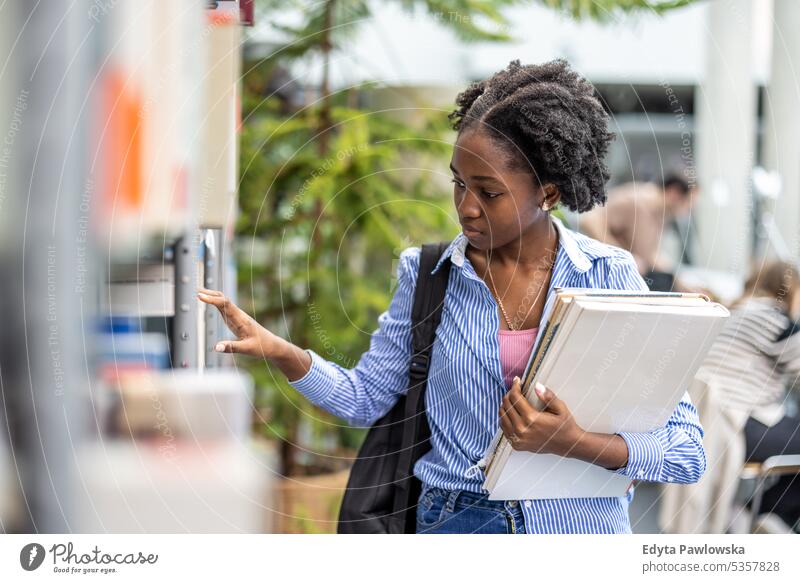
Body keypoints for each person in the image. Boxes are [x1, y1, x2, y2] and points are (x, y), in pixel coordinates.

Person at [198, 59, 706, 534]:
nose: (465, 207)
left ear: (548, 194)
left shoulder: (608, 274)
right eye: (458, 184)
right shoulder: (429, 275)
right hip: (456, 522)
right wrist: (283, 353)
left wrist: (577, 445)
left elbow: (687, 451)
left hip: (579, 526)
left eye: (489, 192)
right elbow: (364, 398)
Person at [693, 261, 800, 531]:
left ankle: (754, 514)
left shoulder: (731, 312)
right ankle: (770, 515)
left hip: (706, 427)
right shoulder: (775, 321)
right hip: (740, 427)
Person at [578, 175, 698, 291]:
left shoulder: (661, 213)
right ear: (674, 193)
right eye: (689, 203)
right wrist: (620, 255)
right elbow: (589, 220)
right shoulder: (636, 200)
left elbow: (650, 254)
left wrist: (678, 280)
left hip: (623, 278)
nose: (689, 209)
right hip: (598, 275)